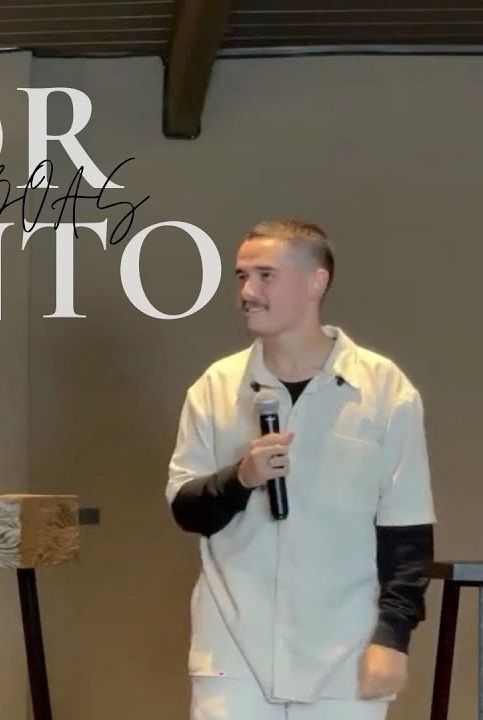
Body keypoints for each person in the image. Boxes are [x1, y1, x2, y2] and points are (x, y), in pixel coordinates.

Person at [165, 219, 436, 720]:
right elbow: (186, 511)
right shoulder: (215, 386)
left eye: (266, 276)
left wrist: (393, 637)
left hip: (346, 655)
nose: (248, 292)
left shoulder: (384, 390)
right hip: (233, 655)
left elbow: (408, 534)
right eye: (242, 277)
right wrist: (241, 478)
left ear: (316, 282)